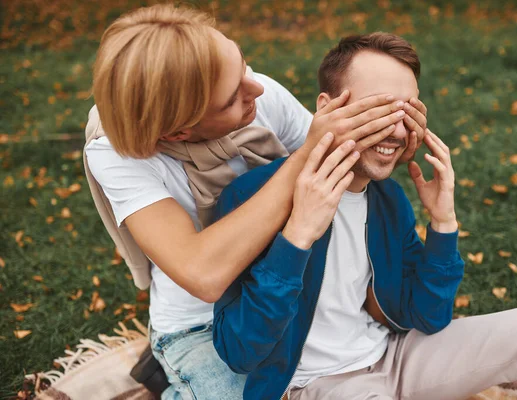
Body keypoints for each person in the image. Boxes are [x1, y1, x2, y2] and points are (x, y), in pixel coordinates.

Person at [213, 32, 517, 400]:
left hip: (394, 356)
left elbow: (428, 316)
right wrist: (296, 238)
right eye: (378, 108)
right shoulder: (250, 199)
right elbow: (241, 351)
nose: (397, 130)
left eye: (408, 111)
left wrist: (443, 223)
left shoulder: (387, 199)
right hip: (313, 384)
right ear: (327, 108)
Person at [84, 4, 429, 399]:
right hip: (199, 325)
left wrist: (383, 142)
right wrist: (304, 155)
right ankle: (171, 373)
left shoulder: (261, 95)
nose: (258, 89)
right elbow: (204, 275)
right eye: (232, 98)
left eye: (244, 66)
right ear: (178, 132)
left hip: (275, 295)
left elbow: (339, 165)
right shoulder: (117, 155)